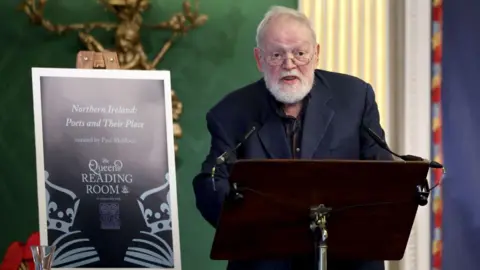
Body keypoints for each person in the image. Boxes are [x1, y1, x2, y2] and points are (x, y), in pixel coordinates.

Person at [192, 5, 391, 270]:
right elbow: (212, 182)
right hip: (265, 260)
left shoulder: (355, 97)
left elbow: (382, 170)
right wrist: (247, 224)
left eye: (300, 53)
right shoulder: (231, 113)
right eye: (276, 55)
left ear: (316, 53)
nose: (289, 64)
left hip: (346, 259)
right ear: (259, 59)